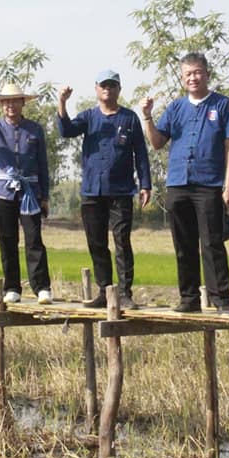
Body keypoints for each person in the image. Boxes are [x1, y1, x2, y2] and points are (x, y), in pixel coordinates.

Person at [141, 52, 229, 314]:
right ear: (183, 79)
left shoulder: (222, 105)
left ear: (207, 74)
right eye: (187, 74)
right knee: (183, 244)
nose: (193, 78)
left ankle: (221, 300)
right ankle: (189, 298)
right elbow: (157, 143)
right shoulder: (175, 107)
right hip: (178, 183)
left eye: (197, 72)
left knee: (212, 243)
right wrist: (147, 117)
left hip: (209, 184)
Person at [58, 70, 152, 310]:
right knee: (96, 242)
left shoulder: (129, 118)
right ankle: (104, 290)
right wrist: (62, 102)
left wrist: (145, 184)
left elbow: (141, 154)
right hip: (92, 191)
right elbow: (66, 131)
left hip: (121, 191)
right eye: (103, 85)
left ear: (119, 89)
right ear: (96, 88)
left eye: (112, 85)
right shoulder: (88, 117)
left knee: (122, 241)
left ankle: (124, 293)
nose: (107, 89)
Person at [0, 84, 53, 305]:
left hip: (30, 192)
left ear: (22, 103)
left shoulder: (34, 129)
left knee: (34, 239)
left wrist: (45, 196)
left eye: (15, 101)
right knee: (7, 241)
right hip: (3, 192)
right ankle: (12, 287)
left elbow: (42, 164)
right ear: (1, 105)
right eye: (6, 102)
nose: (10, 106)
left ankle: (42, 287)